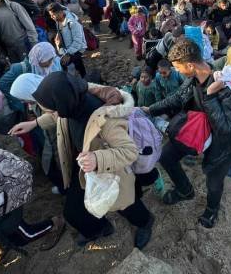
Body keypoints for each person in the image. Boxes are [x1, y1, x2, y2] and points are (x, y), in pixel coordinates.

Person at [14, 72, 154, 249]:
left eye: (49, 107)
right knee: (73, 211)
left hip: (109, 169)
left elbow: (129, 151)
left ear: (61, 104)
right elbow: (56, 116)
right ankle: (100, 228)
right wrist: (34, 123)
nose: (48, 111)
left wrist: (97, 159)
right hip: (85, 165)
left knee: (124, 204)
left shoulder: (105, 119)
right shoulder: (72, 102)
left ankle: (146, 222)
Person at [143, 39, 231, 228]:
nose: (177, 71)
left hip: (221, 144)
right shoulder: (194, 78)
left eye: (178, 67)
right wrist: (150, 109)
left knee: (213, 180)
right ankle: (185, 191)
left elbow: (227, 128)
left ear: (190, 65)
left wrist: (210, 95)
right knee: (166, 156)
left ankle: (211, 210)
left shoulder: (225, 85)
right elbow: (178, 97)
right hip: (196, 129)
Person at [0, 42, 61, 112]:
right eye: (48, 60)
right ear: (39, 58)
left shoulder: (55, 62)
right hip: (34, 105)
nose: (51, 63)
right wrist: (20, 102)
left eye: (52, 59)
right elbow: (3, 83)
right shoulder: (21, 68)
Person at [48, 3, 87, 78]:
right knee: (76, 64)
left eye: (52, 15)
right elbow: (61, 32)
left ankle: (82, 78)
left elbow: (77, 42)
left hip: (78, 48)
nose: (51, 17)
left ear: (60, 12)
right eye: (50, 15)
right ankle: (80, 76)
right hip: (68, 48)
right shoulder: (58, 21)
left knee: (68, 63)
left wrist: (68, 54)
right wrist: (58, 36)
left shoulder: (73, 23)